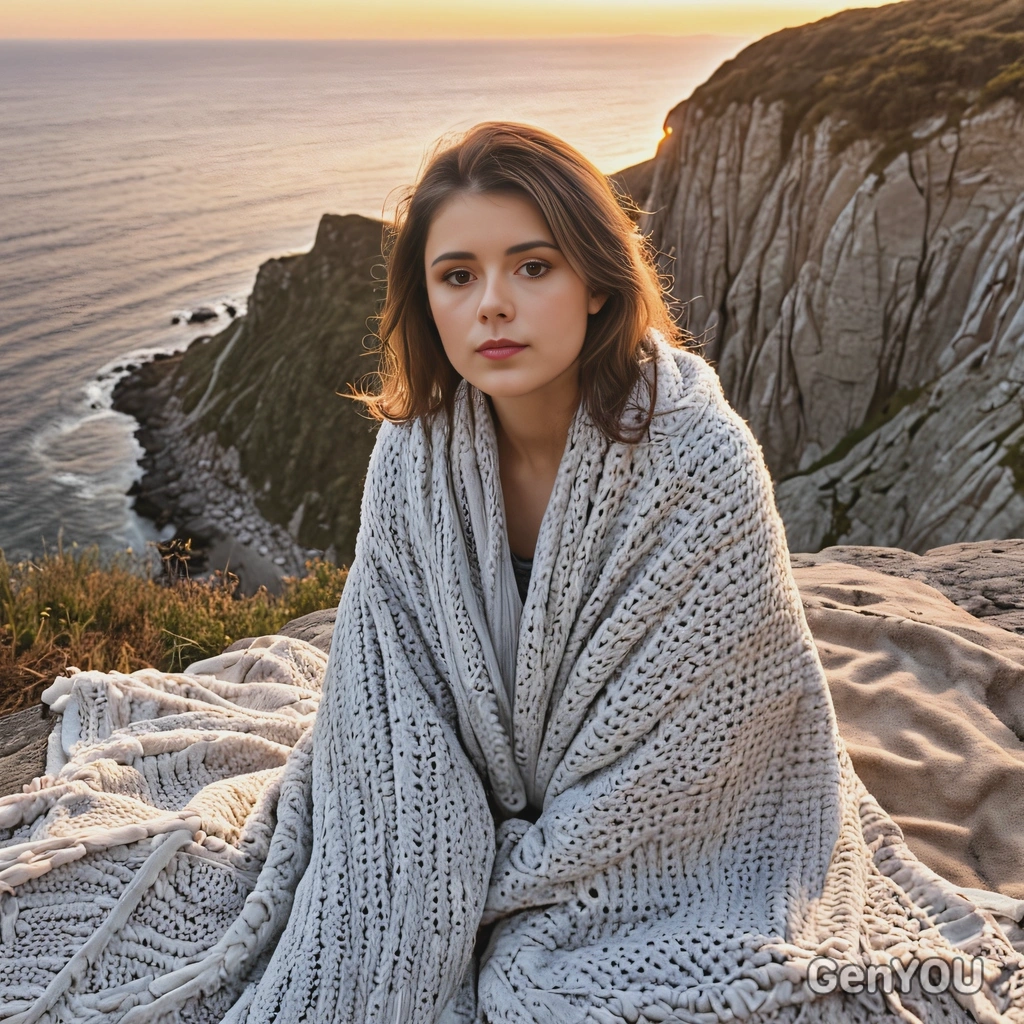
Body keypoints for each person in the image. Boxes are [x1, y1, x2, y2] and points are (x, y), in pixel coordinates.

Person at [2, 122, 1022, 1024]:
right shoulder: (415, 454)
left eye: (532, 266)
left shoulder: (699, 461)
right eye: (458, 276)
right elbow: (391, 684)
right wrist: (427, 867)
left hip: (675, 826)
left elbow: (690, 756)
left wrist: (506, 879)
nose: (493, 304)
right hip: (469, 799)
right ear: (427, 300)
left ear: (597, 281)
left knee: (586, 987)